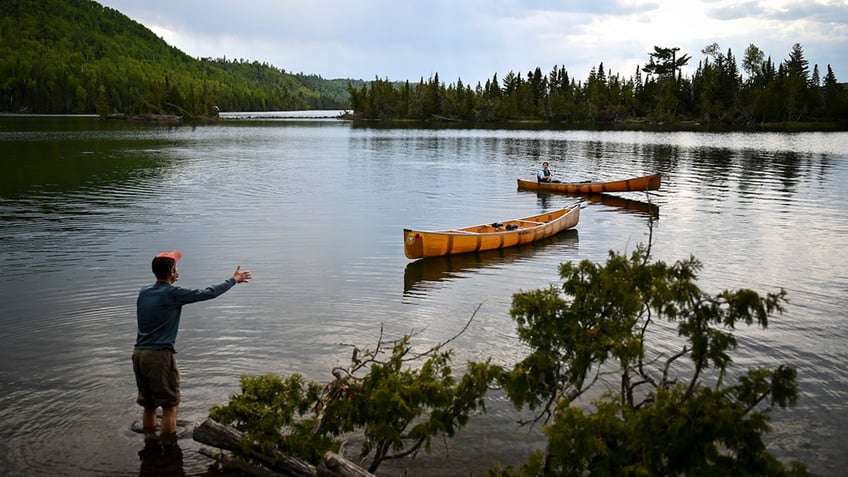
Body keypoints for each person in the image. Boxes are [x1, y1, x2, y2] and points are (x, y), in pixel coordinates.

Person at [132, 250, 252, 444]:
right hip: (159, 356)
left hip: (138, 354)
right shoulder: (173, 293)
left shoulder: (143, 293)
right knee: (171, 406)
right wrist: (233, 280)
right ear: (171, 272)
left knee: (149, 406)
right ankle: (169, 450)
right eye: (175, 268)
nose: (178, 271)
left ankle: (150, 446)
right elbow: (208, 293)